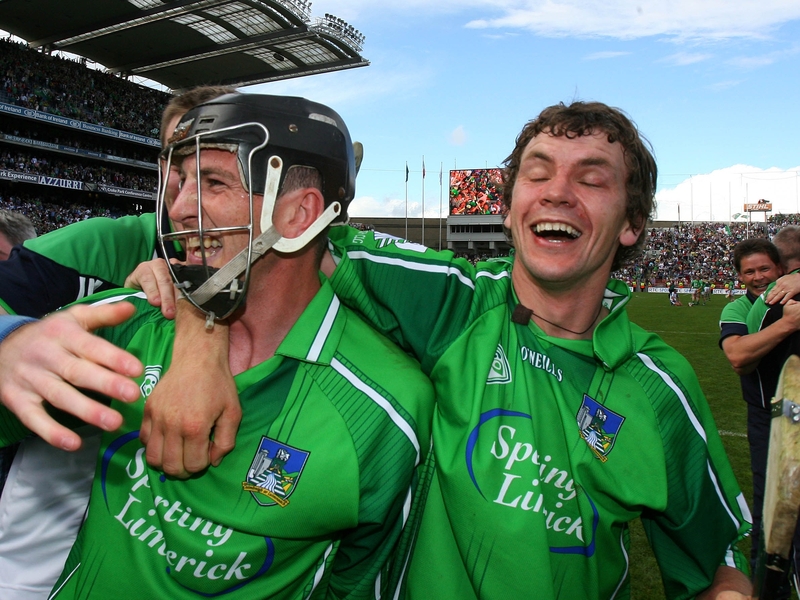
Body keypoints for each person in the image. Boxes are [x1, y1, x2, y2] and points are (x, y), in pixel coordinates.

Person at [0, 101, 752, 598]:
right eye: (538, 174)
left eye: (592, 181)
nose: (558, 194)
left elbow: (722, 554)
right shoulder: (451, 303)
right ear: (508, 202)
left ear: (631, 224)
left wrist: (733, 586)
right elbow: (276, 242)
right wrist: (197, 323)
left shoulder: (659, 388)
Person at [0, 93, 433, 598]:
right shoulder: (127, 321)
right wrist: (10, 347)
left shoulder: (388, 411)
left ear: (298, 215)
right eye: (181, 181)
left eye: (214, 183)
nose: (179, 209)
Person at [0, 85, 236, 600]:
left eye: (212, 161)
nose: (187, 182)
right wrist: (13, 338)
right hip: (40, 539)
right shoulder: (94, 245)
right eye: (177, 158)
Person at [718, 237, 800, 585]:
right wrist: (786, 324)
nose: (757, 277)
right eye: (748, 271)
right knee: (770, 508)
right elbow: (738, 358)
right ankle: (767, 588)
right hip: (768, 422)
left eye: (764, 268)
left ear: (781, 267)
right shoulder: (737, 310)